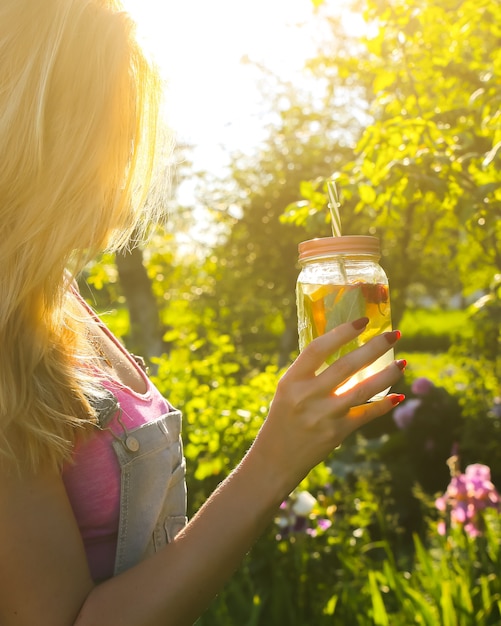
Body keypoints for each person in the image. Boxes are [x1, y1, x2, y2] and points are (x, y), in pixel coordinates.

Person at [0, 1, 406, 624]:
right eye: (121, 128)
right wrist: (276, 459)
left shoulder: (55, 297)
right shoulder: (6, 333)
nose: (135, 158)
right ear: (55, 132)